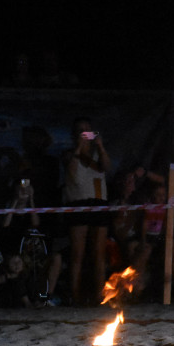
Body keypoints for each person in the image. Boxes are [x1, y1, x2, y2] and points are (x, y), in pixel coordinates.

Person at [63, 116, 111, 305]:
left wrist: (100, 146)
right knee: (78, 254)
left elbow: (106, 168)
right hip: (78, 202)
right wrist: (78, 148)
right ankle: (74, 296)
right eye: (80, 130)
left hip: (99, 202)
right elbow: (72, 172)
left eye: (87, 130)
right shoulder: (68, 154)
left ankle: (99, 297)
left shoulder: (97, 154)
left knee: (99, 254)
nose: (84, 134)